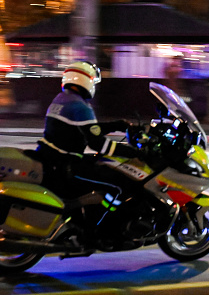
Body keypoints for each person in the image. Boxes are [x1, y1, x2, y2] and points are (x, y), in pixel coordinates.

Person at [35, 61, 140, 199]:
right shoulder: (80, 105)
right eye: (93, 81)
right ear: (85, 80)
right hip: (66, 165)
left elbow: (86, 129)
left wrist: (117, 125)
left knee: (104, 165)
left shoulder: (62, 98)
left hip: (52, 159)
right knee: (122, 184)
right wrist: (134, 153)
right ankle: (108, 219)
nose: (94, 86)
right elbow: (98, 143)